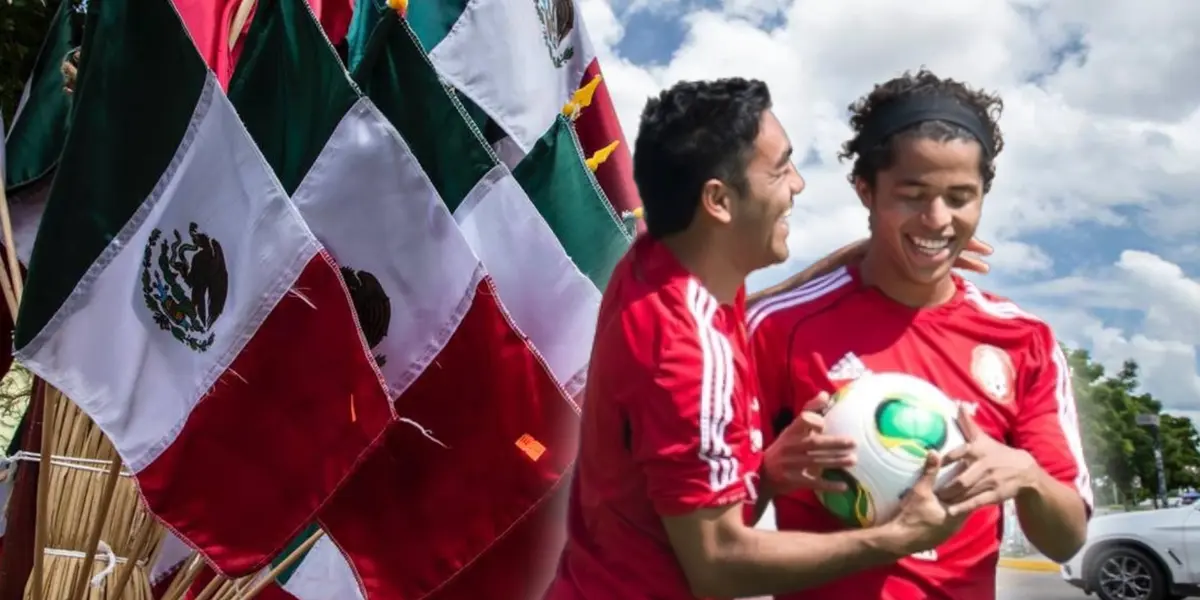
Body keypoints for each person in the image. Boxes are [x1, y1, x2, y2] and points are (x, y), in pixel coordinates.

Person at [543, 77, 974, 600]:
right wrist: (896, 537)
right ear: (719, 202)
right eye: (780, 169)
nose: (798, 184)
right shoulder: (686, 356)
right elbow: (718, 565)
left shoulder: (664, 261)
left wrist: (869, 251)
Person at [748, 69, 1092, 600]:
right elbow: (707, 533)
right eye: (913, 194)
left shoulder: (1026, 341)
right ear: (866, 190)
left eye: (960, 197)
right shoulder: (780, 329)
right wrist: (770, 471)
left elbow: (1066, 540)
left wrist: (1028, 476)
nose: (937, 219)